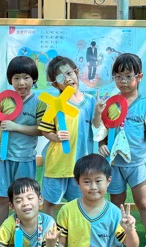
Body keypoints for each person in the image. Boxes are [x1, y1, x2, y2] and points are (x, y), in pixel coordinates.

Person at [96, 53, 146, 232]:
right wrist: (101, 145)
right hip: (114, 163)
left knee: (144, 203)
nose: (123, 81)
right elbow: (103, 130)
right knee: (117, 202)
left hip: (137, 163)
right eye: (118, 76)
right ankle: (118, 237)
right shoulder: (110, 103)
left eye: (128, 76)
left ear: (139, 77)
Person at [37, 56, 102, 217]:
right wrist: (56, 137)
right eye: (60, 78)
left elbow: (96, 127)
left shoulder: (90, 101)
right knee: (50, 203)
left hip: (81, 164)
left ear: (76, 72)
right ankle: (49, 231)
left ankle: (75, 232)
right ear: (55, 84)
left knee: (80, 203)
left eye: (69, 73)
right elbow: (45, 130)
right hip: (58, 164)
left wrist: (98, 113)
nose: (67, 79)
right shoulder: (54, 103)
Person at [0, 56, 41, 227]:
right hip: (3, 158)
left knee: (24, 199)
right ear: (10, 79)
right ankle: (1, 234)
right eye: (16, 78)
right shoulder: (4, 99)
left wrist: (16, 127)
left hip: (25, 159)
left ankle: (24, 232)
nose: (21, 82)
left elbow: (40, 130)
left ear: (34, 79)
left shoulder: (38, 103)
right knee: (2, 197)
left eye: (26, 77)